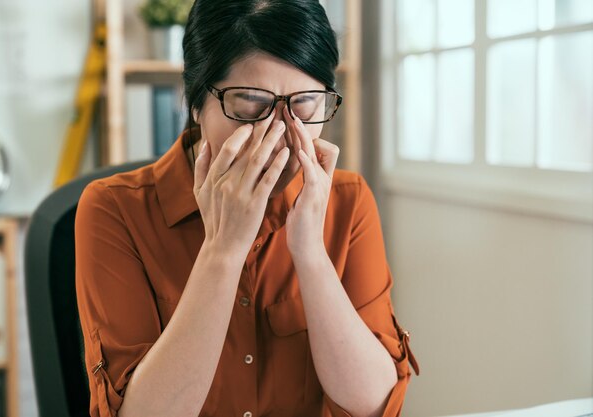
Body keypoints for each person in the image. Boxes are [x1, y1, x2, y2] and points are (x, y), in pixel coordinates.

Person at [75, 1, 419, 416]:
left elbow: (374, 405)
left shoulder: (349, 200)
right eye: (250, 103)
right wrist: (222, 251)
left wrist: (310, 255)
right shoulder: (112, 209)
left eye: (305, 104)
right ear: (196, 103)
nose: (279, 131)